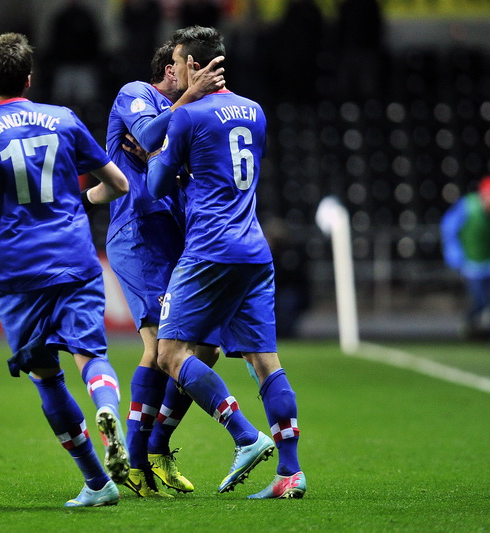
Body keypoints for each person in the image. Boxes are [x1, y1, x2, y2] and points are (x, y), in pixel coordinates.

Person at [0, 33, 130, 508]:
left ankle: (96, 481)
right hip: (74, 258)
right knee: (90, 353)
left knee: (46, 376)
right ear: (28, 78)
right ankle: (107, 410)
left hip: (16, 269)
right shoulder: (62, 119)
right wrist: (80, 201)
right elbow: (119, 183)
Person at [146, 25, 306, 499]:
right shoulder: (255, 112)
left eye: (176, 63)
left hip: (209, 249)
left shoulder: (188, 116)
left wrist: (164, 156)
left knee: (169, 354)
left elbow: (156, 184)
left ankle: (244, 435)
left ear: (194, 66)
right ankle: (290, 472)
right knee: (266, 363)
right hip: (255, 250)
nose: (172, 72)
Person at [104, 41, 225, 497]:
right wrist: (189, 97)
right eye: (187, 67)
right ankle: (136, 461)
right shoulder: (135, 93)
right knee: (159, 346)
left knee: (206, 349)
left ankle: (157, 446)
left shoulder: (194, 110)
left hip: (179, 237)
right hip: (139, 232)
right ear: (170, 70)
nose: (194, 75)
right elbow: (149, 137)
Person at [441, 175, 490, 343]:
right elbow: (449, 229)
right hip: (473, 263)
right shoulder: (468, 207)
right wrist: (455, 255)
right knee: (480, 301)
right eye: (489, 196)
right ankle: (468, 323)